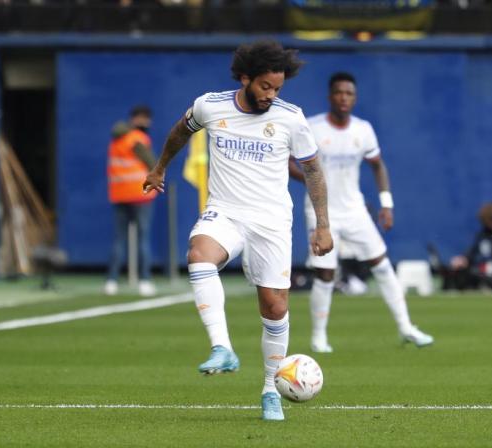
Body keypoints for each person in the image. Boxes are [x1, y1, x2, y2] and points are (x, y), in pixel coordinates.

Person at [143, 40, 333, 421]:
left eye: (277, 88)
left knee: (275, 307)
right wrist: (160, 167)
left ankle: (270, 390)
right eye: (265, 86)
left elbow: (312, 170)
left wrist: (323, 225)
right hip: (225, 212)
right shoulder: (210, 105)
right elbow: (180, 132)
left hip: (272, 221)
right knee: (199, 255)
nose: (271, 95)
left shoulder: (290, 118)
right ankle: (222, 347)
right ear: (245, 78)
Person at [289, 71, 434, 354]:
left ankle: (406, 327)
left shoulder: (363, 129)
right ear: (330, 96)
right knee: (325, 274)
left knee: (381, 264)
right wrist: (311, 180)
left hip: (354, 210)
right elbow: (287, 161)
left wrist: (386, 203)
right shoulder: (313, 127)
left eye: (349, 94)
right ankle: (319, 338)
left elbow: (378, 166)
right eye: (339, 93)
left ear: (354, 98)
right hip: (321, 212)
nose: (344, 98)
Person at [105, 105, 157, 297]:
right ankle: (145, 280)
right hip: (140, 194)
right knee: (143, 239)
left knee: (119, 240)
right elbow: (153, 164)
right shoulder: (138, 139)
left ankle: (111, 281)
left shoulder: (115, 141)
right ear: (139, 119)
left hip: (119, 194)